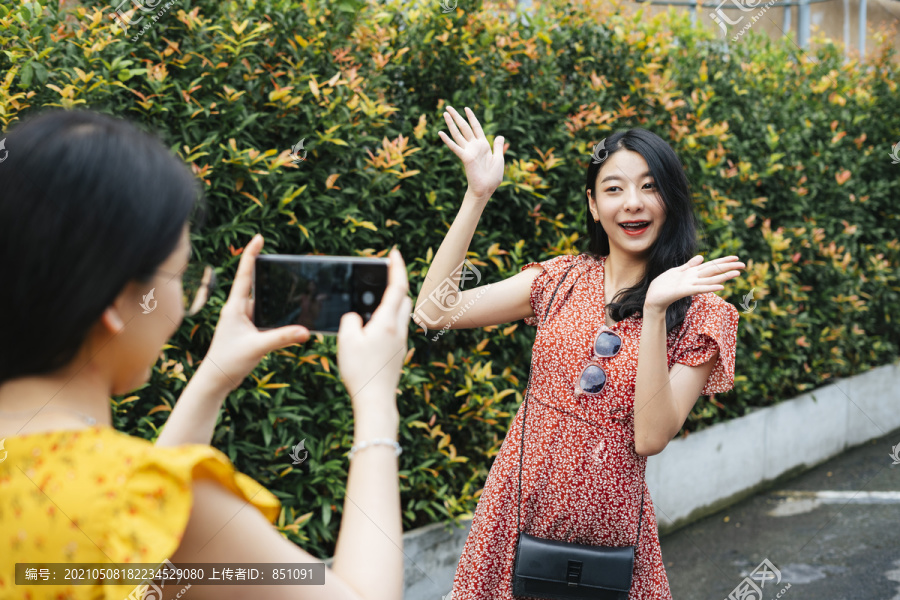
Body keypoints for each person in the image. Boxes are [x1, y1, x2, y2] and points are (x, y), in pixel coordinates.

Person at [0, 109, 411, 600]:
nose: (188, 301)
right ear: (114, 300)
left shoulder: (108, 489)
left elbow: (134, 521)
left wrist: (216, 375)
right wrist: (375, 403)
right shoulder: (151, 495)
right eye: (183, 276)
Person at [413, 106, 744, 599]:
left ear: (671, 199)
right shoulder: (559, 279)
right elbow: (436, 313)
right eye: (614, 188)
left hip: (608, 544)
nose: (632, 203)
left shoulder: (700, 312)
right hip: (512, 518)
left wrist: (654, 312)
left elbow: (651, 437)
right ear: (593, 205)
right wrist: (477, 195)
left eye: (650, 186)